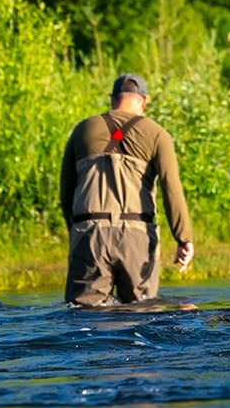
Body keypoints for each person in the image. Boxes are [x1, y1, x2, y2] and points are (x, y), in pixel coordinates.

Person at [61, 73, 195, 305]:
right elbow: (171, 189)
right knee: (139, 319)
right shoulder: (157, 134)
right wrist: (184, 238)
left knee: (83, 322)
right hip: (137, 235)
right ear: (144, 101)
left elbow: (66, 190)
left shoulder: (83, 130)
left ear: (112, 99)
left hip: (89, 231)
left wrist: (75, 230)